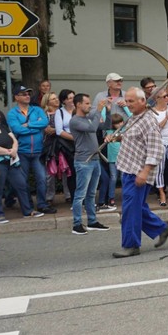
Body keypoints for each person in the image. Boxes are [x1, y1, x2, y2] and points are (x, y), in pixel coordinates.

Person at [110, 87, 168, 258]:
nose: (128, 104)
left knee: (130, 209)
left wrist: (145, 172)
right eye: (127, 100)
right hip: (129, 168)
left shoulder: (148, 121)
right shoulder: (134, 118)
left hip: (138, 172)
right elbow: (132, 137)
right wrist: (116, 137)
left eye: (132, 101)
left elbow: (156, 149)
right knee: (136, 207)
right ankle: (162, 228)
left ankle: (131, 245)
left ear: (143, 101)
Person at [7, 84, 54, 213]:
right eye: (24, 94)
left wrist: (28, 124)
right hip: (22, 151)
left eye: (28, 94)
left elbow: (44, 122)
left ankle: (42, 204)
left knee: (42, 179)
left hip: (38, 151)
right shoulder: (12, 113)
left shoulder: (37, 109)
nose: (27, 96)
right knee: (23, 181)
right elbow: (17, 129)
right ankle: (27, 204)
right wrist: (35, 127)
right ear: (16, 97)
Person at [67, 93, 109, 234]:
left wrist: (107, 111)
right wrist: (98, 110)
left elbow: (105, 125)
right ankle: (76, 224)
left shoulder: (88, 118)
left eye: (89, 103)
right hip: (83, 161)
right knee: (80, 194)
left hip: (95, 159)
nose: (89, 105)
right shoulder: (75, 121)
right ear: (78, 104)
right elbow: (92, 128)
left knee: (91, 194)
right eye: (86, 103)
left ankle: (92, 221)